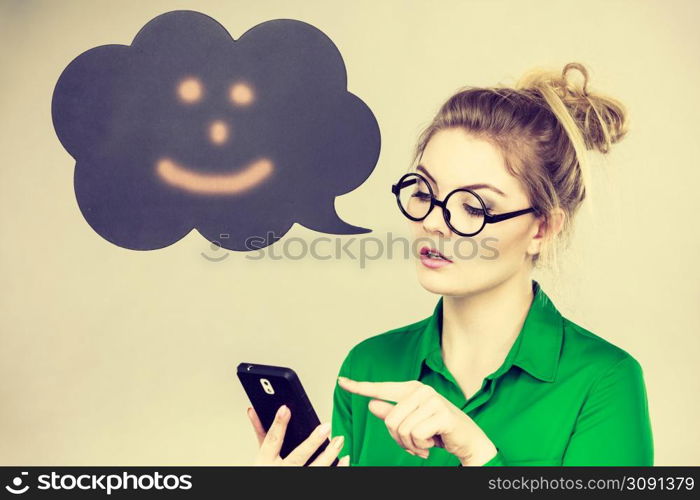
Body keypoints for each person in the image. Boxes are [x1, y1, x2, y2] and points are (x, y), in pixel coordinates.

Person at [247, 61, 653, 466]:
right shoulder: (370, 364)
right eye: (424, 192)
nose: (432, 223)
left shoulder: (605, 381)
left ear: (541, 229)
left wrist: (477, 454)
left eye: (474, 206)